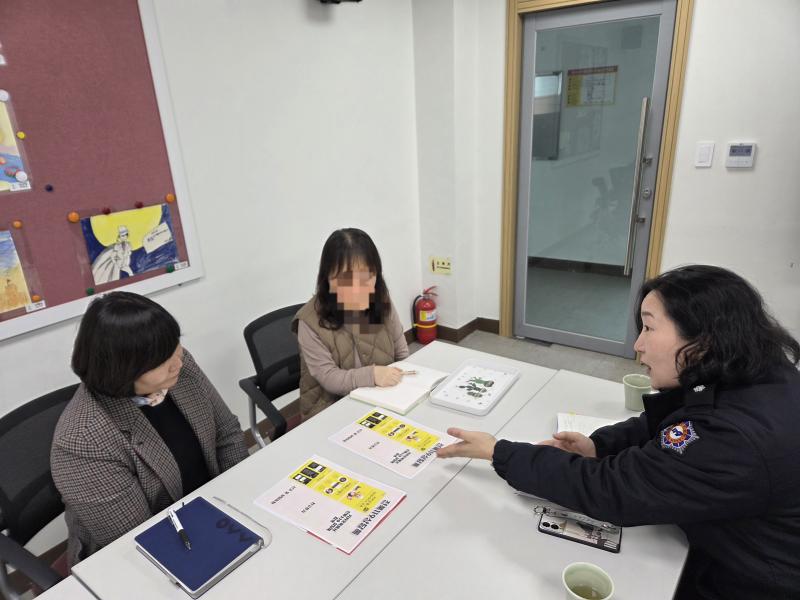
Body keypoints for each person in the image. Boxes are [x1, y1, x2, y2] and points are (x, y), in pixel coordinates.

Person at [436, 265, 800, 598]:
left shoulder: (735, 437)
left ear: (703, 339)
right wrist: (599, 445)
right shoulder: (751, 371)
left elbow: (612, 491)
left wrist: (500, 452)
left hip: (750, 579)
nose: (638, 344)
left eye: (649, 328)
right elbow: (676, 424)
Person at [51, 292, 248, 567]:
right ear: (121, 371)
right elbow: (138, 538)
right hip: (148, 552)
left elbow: (227, 434)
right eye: (159, 360)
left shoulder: (179, 366)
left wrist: (243, 496)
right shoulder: (83, 441)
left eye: (175, 345)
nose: (177, 360)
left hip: (214, 509)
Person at [292, 228, 409, 421]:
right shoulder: (309, 321)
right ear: (329, 280)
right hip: (331, 409)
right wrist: (371, 375)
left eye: (367, 277)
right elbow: (329, 377)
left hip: (382, 399)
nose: (359, 289)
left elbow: (401, 352)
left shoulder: (380, 298)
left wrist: (404, 387)